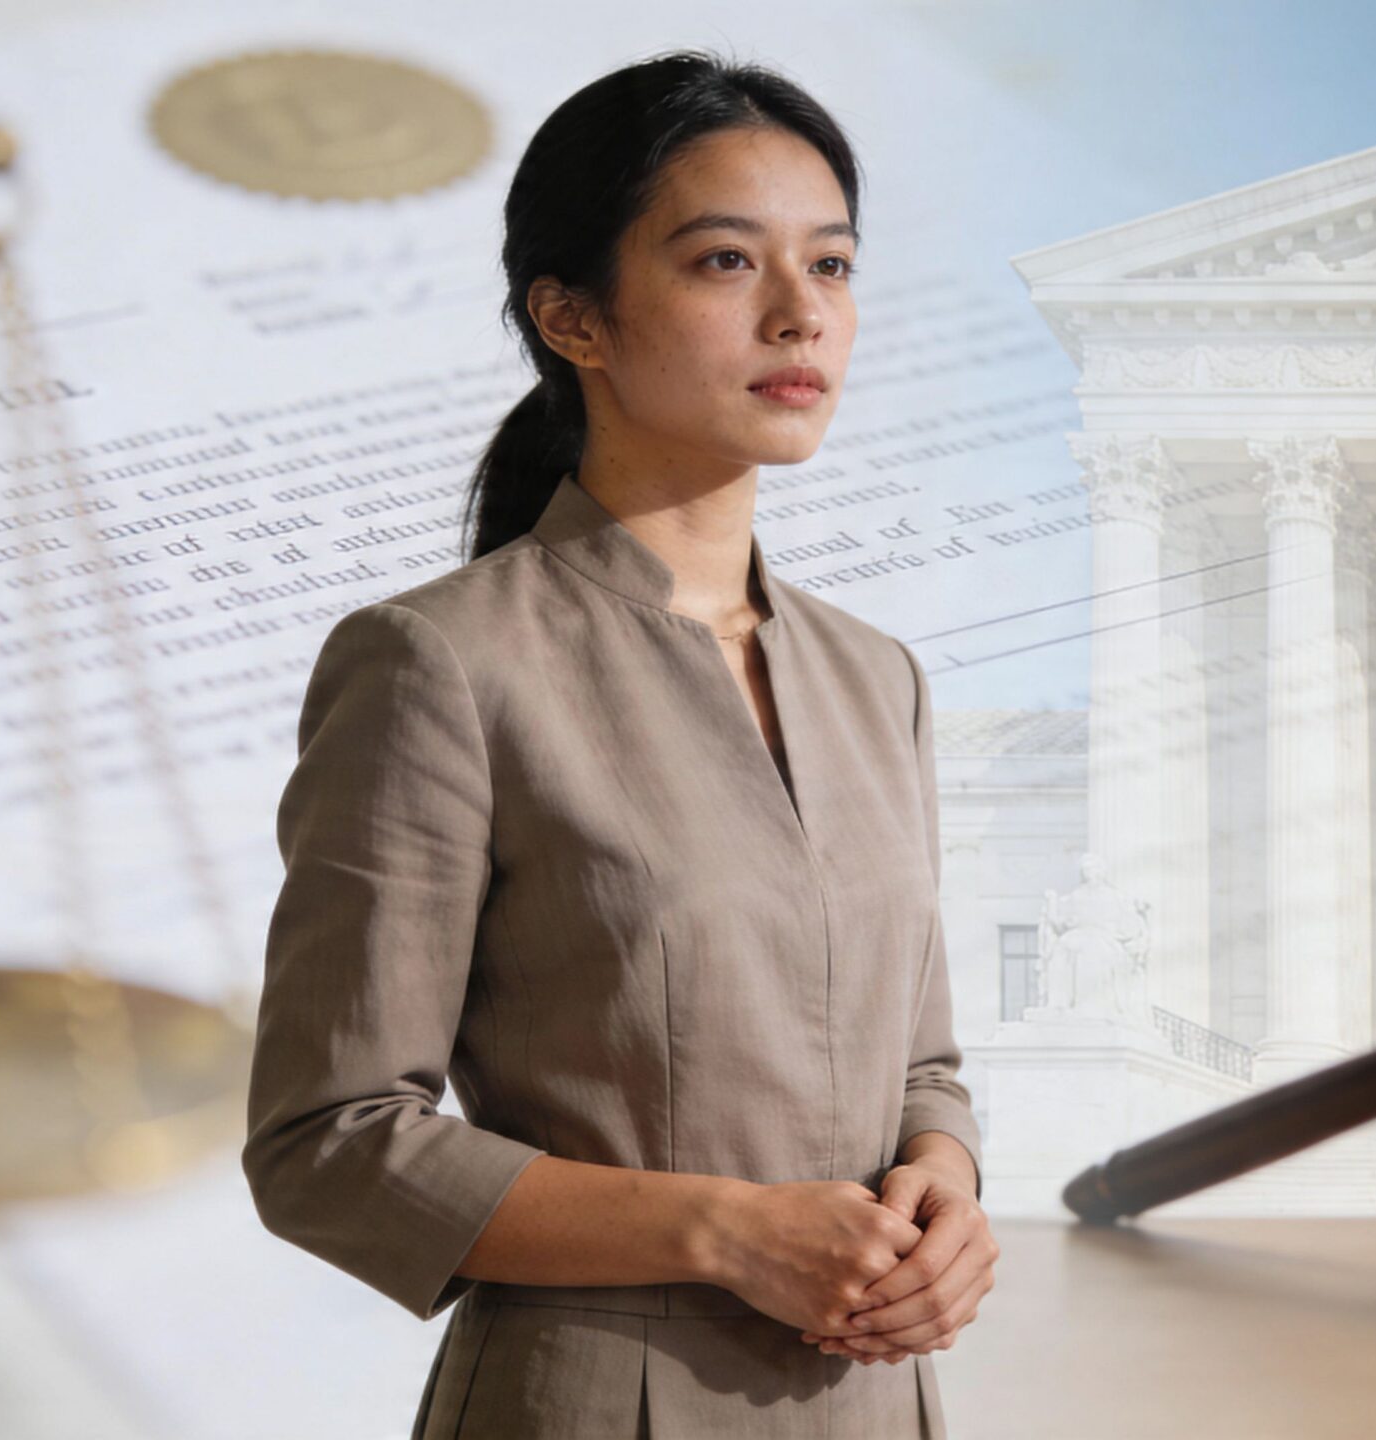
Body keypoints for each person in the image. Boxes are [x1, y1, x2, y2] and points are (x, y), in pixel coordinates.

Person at [242, 49, 992, 1438]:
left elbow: (917, 1067)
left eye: (830, 268)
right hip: (595, 1406)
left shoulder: (874, 678)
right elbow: (328, 1144)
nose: (799, 316)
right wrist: (722, 1231)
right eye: (725, 263)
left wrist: (947, 1184)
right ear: (573, 318)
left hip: (878, 1407)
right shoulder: (439, 664)